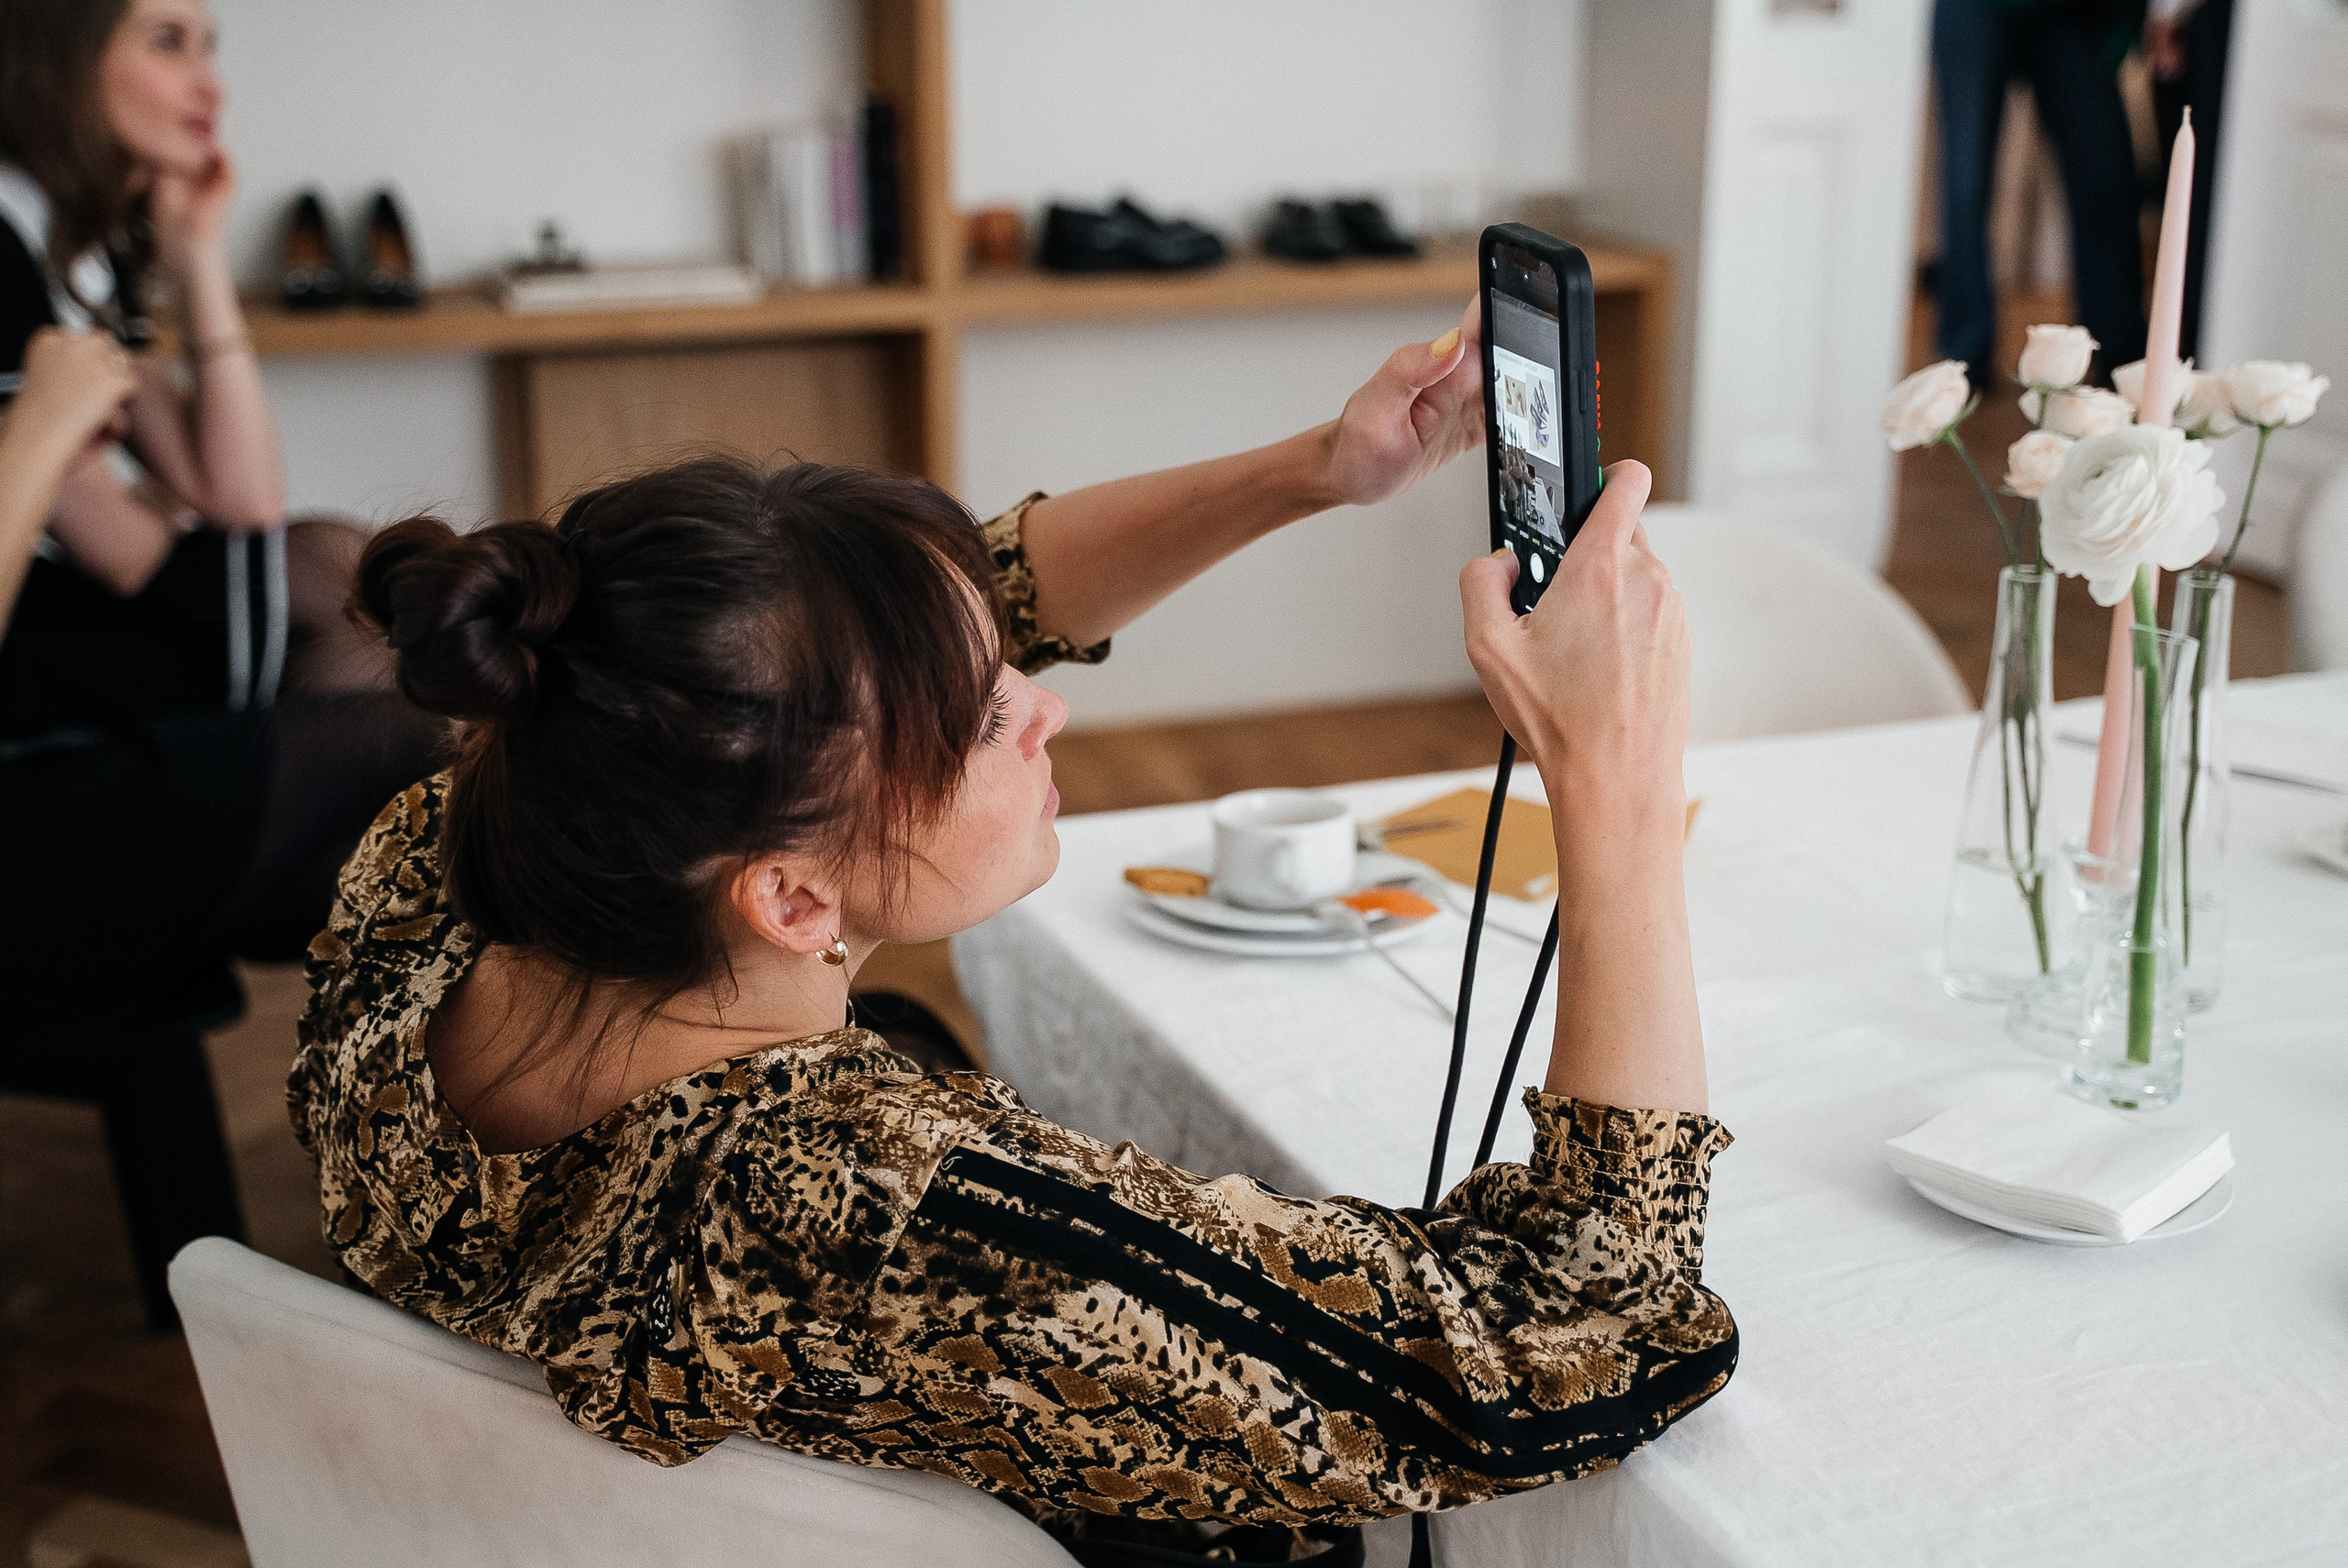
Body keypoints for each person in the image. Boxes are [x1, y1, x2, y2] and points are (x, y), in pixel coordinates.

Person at [290, 311, 1735, 1558]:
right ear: (791, 900)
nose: (1045, 702)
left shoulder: (460, 851)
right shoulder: (888, 1215)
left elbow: (992, 590)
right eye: (986, 718)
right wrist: (1613, 779)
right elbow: (1559, 1332)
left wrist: (1321, 466)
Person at [0, 0, 437, 1031]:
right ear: (57, 62)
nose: (212, 84)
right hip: (39, 693)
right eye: (167, 43)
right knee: (404, 709)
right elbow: (127, 551)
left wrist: (196, 252)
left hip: (60, 634)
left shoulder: (63, 247)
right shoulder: (3, 259)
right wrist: (63, 435)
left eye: (210, 46)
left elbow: (238, 497)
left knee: (358, 592)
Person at [1932, 0, 2150, 387]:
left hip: (2077, 14)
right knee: (1964, 179)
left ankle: (2119, 352)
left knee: (2103, 173)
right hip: (1973, 9)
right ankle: (1962, 360)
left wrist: (2124, 25)